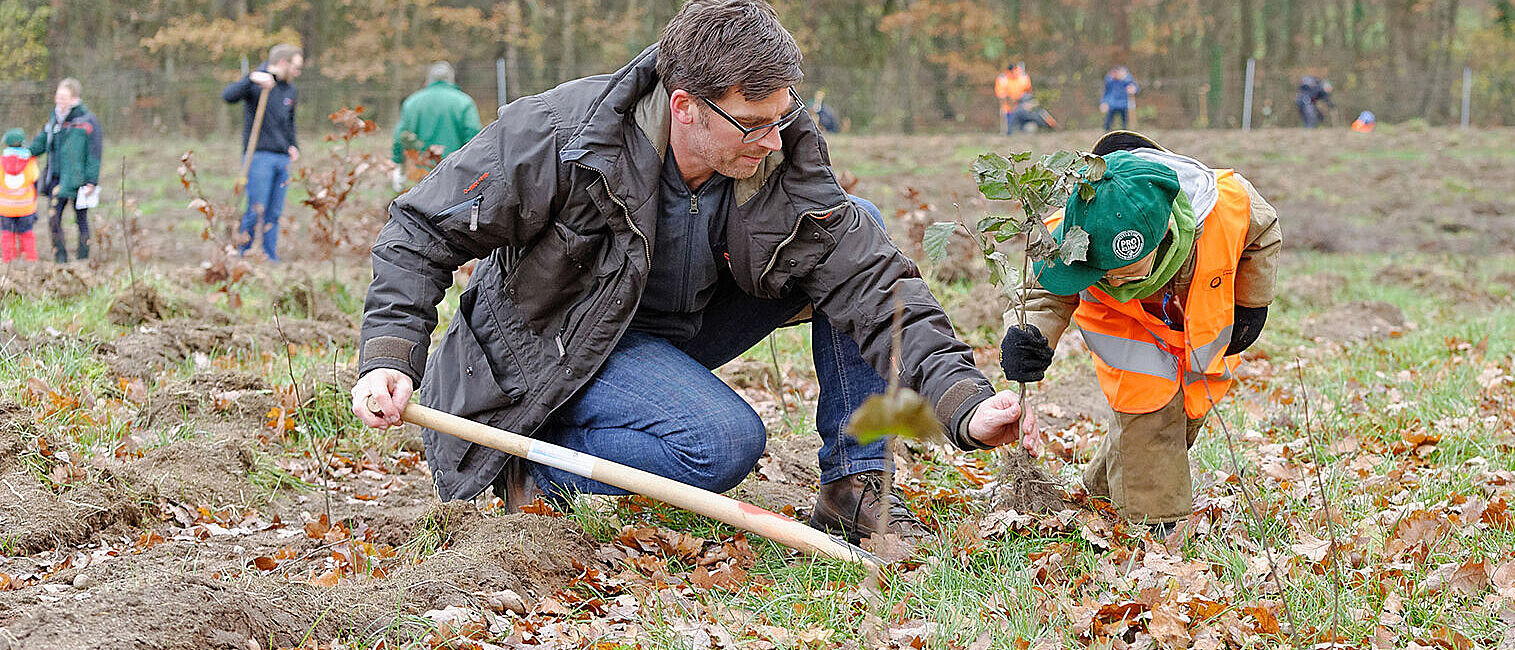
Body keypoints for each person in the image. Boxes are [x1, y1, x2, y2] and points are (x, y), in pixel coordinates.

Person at [349, 0, 1028, 545]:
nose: (774, 140)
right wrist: (389, 355)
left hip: (677, 326)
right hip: (554, 346)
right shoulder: (558, 136)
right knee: (721, 442)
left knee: (861, 219)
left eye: (783, 117)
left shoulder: (776, 154)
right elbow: (419, 228)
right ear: (685, 108)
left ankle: (854, 490)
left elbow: (876, 286)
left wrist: (964, 404)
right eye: (754, 123)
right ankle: (535, 468)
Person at [999, 130, 1282, 530]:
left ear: (1161, 236)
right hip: (1123, 325)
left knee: (1183, 414)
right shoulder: (1071, 226)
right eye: (1101, 273)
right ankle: (1157, 528)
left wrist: (1252, 304)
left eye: (1121, 273)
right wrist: (1028, 334)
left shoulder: (1229, 207)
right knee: (1148, 411)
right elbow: (1041, 288)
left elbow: (1264, 233)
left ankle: (1103, 489)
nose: (1110, 282)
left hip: (1190, 327)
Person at [223, 44, 303, 262]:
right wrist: (251, 79)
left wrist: (293, 145)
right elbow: (228, 96)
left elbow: (290, 123)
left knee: (274, 213)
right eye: (296, 67)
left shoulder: (290, 90)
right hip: (259, 156)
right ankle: (242, 253)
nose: (298, 73)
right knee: (256, 209)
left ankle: (269, 256)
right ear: (283, 63)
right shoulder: (258, 82)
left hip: (282, 158)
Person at [28, 78, 101, 264]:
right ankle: (60, 258)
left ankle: (83, 258)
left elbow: (94, 153)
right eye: (57, 95)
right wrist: (24, 152)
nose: (58, 100)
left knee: (81, 220)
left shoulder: (87, 120)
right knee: (53, 218)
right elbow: (42, 141)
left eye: (63, 96)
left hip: (79, 180)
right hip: (57, 179)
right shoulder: (54, 119)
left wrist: (92, 180)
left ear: (74, 98)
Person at [391, 61, 484, 190]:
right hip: (454, 176)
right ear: (451, 79)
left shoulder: (412, 102)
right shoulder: (464, 102)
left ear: (428, 80)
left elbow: (401, 136)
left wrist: (398, 165)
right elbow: (474, 138)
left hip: (419, 177)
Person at [0, 129, 39, 262]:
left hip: (5, 208)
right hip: (26, 207)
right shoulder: (30, 161)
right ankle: (29, 259)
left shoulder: (1, 162)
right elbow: (35, 180)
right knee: (27, 234)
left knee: (7, 234)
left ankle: (8, 260)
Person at [995, 63, 1032, 136]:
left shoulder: (1022, 78)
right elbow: (1000, 93)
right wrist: (1008, 99)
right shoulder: (1003, 79)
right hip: (1008, 102)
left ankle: (1021, 129)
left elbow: (1028, 91)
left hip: (1020, 102)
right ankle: (1008, 131)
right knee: (1007, 114)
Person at [1100, 66, 1138, 131]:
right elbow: (1106, 93)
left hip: (1123, 104)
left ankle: (1125, 134)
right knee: (1108, 121)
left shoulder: (1127, 80)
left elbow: (1135, 88)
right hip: (1112, 104)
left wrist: (1133, 89)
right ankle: (1107, 133)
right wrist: (1103, 102)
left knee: (1124, 122)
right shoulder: (1110, 81)